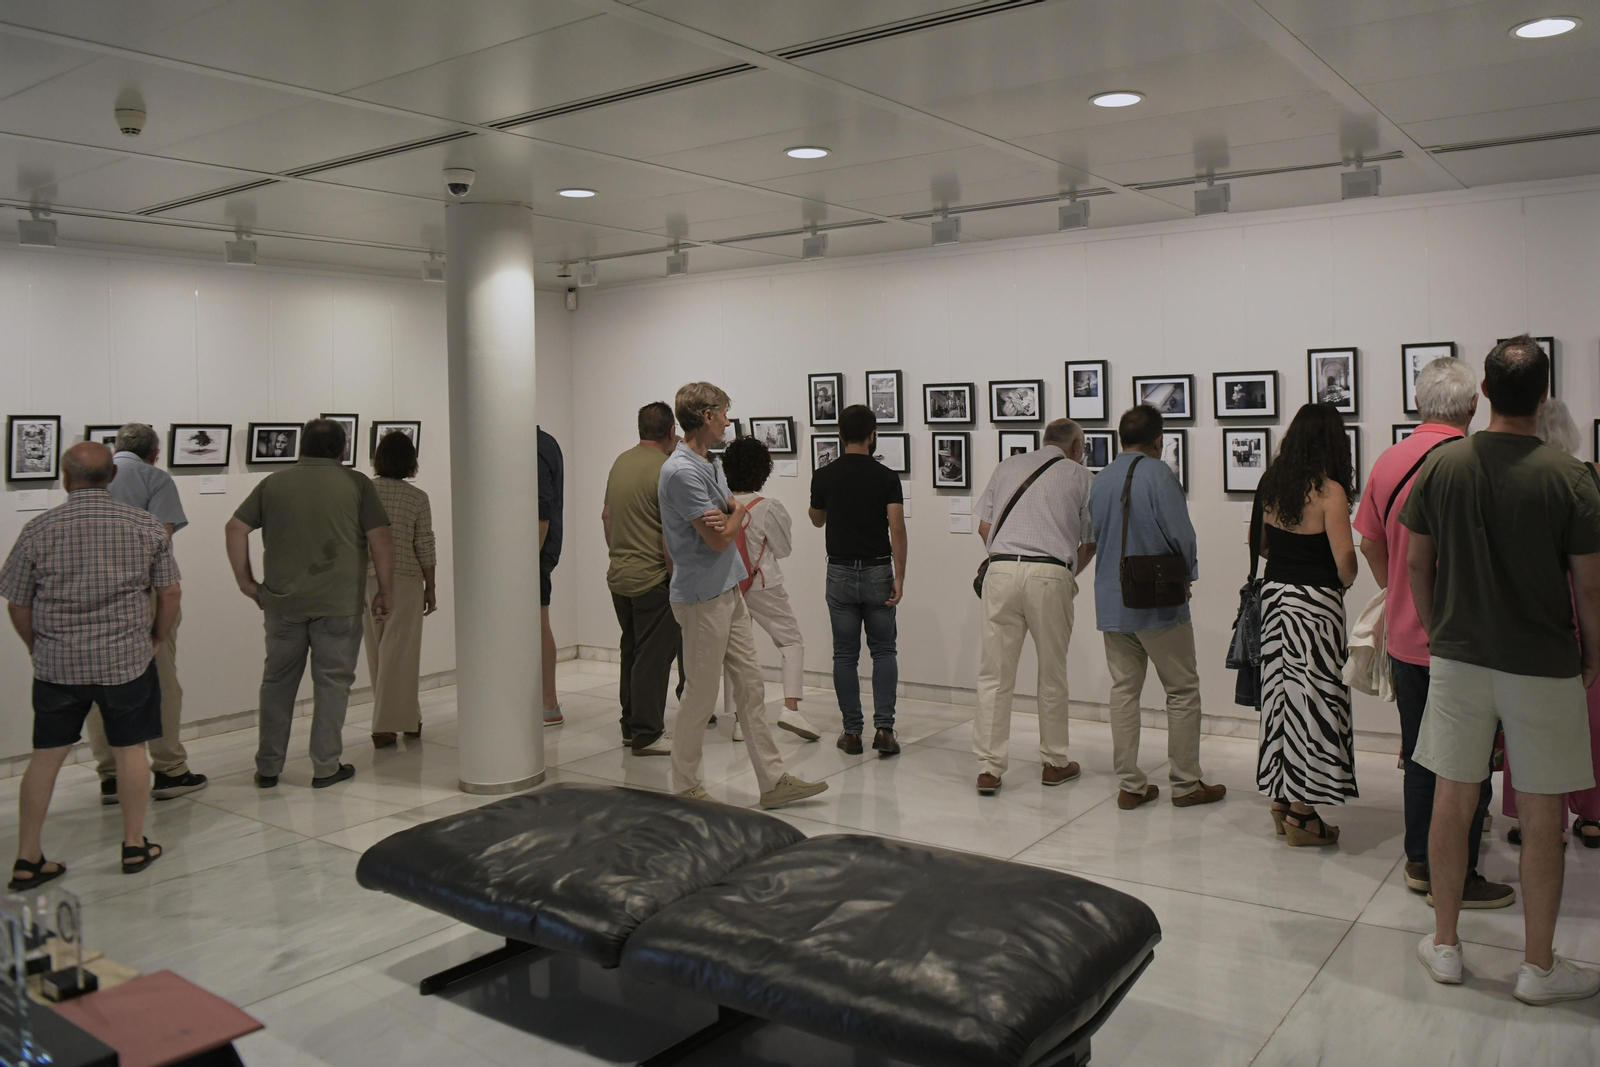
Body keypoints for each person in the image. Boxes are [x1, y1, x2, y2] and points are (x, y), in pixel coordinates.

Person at [1405, 337, 1600, 1004]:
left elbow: (1414, 564)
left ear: (1483, 393)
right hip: (1543, 662)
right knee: (1546, 813)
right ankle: (1538, 966)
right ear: (1543, 396)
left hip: (1460, 657)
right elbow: (1590, 587)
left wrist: (1436, 630)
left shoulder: (1443, 465)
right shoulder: (1571, 476)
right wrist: (1594, 653)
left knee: (1452, 799)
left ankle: (1448, 945)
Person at [1353, 359, 1512, 904]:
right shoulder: (1477, 463)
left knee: (1420, 751)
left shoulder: (1388, 461)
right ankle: (1459, 871)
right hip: (1469, 638)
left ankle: (1421, 859)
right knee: (1471, 762)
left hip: (1406, 634)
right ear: (1473, 406)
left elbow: (1369, 540)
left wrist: (1395, 585)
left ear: (1418, 403)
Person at [1, 443, 174, 888]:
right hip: (126, 660)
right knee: (131, 750)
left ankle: (27, 858)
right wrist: (157, 636)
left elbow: (17, 601)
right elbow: (170, 592)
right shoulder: (144, 525)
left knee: (45, 758)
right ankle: (134, 844)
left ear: (65, 477)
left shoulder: (38, 528)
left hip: (58, 664)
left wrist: (35, 645)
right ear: (111, 477)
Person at [659, 382, 827, 809]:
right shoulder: (681, 472)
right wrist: (733, 516)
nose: (729, 421)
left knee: (751, 687)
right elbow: (721, 539)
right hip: (700, 597)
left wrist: (731, 514)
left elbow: (734, 511)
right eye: (725, 413)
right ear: (707, 415)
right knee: (700, 693)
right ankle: (682, 785)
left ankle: (773, 781)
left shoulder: (709, 464)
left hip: (727, 588)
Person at [225, 418, 394, 789]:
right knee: (333, 684)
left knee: (277, 683)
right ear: (342, 449)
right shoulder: (356, 484)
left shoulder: (273, 483)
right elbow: (380, 539)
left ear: (301, 446)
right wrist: (385, 589)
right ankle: (325, 766)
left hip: (283, 602)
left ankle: (268, 766)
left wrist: (246, 582)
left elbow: (234, 528)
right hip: (339, 602)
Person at [1087, 405, 1223, 810]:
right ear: (1158, 440)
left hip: (1112, 600)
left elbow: (1095, 534)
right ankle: (1185, 783)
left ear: (1120, 439)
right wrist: (1188, 576)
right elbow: (1182, 534)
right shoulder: (1159, 473)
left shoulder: (1102, 478)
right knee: (1181, 690)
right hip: (1157, 600)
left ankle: (1130, 784)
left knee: (1124, 691)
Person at [1252, 404, 1359, 846]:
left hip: (1275, 599)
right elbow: (1346, 561)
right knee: (1312, 702)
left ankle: (1281, 798)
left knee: (1281, 699)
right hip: (1314, 607)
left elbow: (1259, 545)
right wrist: (1342, 582)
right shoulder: (1330, 492)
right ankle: (1303, 813)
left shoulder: (1270, 484)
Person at [971, 418, 1095, 795]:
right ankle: (1055, 763)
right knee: (1052, 673)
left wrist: (1008, 556)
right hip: (1050, 575)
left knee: (994, 673)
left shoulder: (1008, 466)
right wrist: (1067, 570)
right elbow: (1089, 542)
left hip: (1002, 571)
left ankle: (989, 769)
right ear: (1075, 447)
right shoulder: (1080, 476)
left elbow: (983, 528)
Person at [86, 423, 208, 804]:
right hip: (146, 592)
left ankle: (111, 776)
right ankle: (170, 769)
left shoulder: (93, 477)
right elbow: (161, 537)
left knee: (99, 683)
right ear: (154, 453)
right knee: (160, 677)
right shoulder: (155, 478)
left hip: (90, 593)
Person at [1501, 398, 1600, 849]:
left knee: (1524, 717)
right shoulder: (1589, 477)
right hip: (1583, 604)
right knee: (1590, 718)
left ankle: (1537, 817)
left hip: (1529, 610)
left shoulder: (1517, 479)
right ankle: (1593, 814)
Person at [808, 404, 908, 757]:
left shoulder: (824, 476)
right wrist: (900, 575)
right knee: (884, 650)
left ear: (839, 434)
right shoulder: (886, 476)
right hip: (879, 569)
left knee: (845, 654)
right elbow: (896, 527)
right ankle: (884, 729)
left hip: (839, 572)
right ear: (872, 435)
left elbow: (816, 520)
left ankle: (851, 732)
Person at [717, 436, 821, 744]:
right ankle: (791, 708)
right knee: (790, 641)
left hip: (727, 583)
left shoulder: (718, 503)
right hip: (763, 583)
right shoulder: (768, 507)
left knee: (734, 651)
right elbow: (783, 548)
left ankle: (738, 720)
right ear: (763, 470)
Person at [604, 402, 681, 755]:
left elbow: (606, 516)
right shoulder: (666, 469)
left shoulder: (621, 462)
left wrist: (618, 553)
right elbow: (670, 534)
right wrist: (674, 577)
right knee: (653, 657)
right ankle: (648, 734)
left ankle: (630, 725)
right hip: (653, 577)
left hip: (619, 574)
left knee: (631, 650)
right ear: (670, 432)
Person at [364, 430, 437, 748]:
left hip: (367, 579)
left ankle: (408, 717)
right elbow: (424, 544)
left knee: (378, 652)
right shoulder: (417, 498)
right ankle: (384, 725)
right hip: (405, 579)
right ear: (411, 462)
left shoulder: (364, 491)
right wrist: (431, 586)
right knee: (401, 654)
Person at [539, 427, 565, 726]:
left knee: (538, 622)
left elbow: (541, 512)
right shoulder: (547, 443)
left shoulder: (535, 448)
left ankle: (548, 703)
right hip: (541, 552)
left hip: (535, 556)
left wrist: (528, 563)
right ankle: (546, 702)